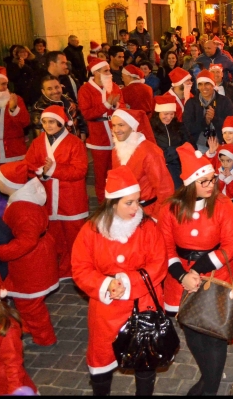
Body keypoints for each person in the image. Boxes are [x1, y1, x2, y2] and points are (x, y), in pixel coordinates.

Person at [72, 166, 167, 396]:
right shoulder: (92, 230)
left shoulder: (148, 227)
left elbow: (158, 263)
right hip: (106, 310)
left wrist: (128, 281)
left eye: (137, 201)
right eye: (129, 203)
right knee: (101, 361)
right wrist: (105, 284)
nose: (137, 208)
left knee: (145, 358)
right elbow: (80, 267)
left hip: (143, 305)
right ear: (112, 203)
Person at [157, 144, 233, 395]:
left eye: (212, 179)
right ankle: (208, 377)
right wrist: (182, 275)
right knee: (192, 329)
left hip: (215, 275)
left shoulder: (224, 205)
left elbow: (231, 245)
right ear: (191, 183)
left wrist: (199, 270)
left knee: (214, 332)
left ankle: (208, 386)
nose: (211, 184)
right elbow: (166, 248)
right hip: (181, 278)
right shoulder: (170, 208)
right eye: (203, 181)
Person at [0, 162, 58, 346]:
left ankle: (44, 337)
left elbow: (26, 242)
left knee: (30, 304)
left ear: (11, 185)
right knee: (24, 300)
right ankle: (28, 326)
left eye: (0, 180)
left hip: (30, 262)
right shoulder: (23, 202)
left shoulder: (23, 209)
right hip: (33, 259)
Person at [24, 106, 88, 280]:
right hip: (48, 198)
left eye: (51, 122)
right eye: (44, 122)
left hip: (71, 199)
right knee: (54, 236)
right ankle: (58, 267)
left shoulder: (74, 143)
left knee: (74, 235)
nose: (47, 125)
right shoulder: (37, 143)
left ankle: (76, 267)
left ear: (61, 122)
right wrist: (41, 171)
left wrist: (53, 170)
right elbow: (28, 165)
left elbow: (80, 171)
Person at [110, 108, 174, 218]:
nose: (116, 130)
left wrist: (156, 216)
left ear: (132, 126)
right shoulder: (116, 150)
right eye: (114, 125)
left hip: (146, 212)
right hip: (124, 211)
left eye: (121, 125)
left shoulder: (149, 152)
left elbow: (165, 190)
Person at [78, 58, 125, 202]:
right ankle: (102, 203)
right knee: (101, 174)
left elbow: (122, 106)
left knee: (117, 170)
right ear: (96, 72)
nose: (109, 73)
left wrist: (116, 105)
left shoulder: (114, 86)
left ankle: (117, 199)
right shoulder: (85, 90)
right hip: (98, 138)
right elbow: (87, 113)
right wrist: (106, 105)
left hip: (117, 136)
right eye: (106, 70)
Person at [184, 69, 233, 146]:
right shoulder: (191, 103)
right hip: (199, 145)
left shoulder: (225, 101)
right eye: (200, 84)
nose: (203, 87)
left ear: (213, 85)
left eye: (207, 83)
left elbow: (232, 124)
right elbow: (188, 128)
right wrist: (205, 122)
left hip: (222, 144)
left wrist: (214, 118)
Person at [30, 74, 86, 140]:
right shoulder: (39, 110)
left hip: (76, 142)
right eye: (49, 89)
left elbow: (79, 116)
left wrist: (83, 133)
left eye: (57, 87)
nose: (55, 91)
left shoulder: (68, 99)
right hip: (58, 148)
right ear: (43, 91)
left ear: (61, 86)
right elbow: (40, 137)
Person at [151, 95, 189, 189]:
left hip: (177, 168)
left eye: (171, 114)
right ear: (158, 113)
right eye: (166, 114)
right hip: (158, 168)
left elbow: (188, 144)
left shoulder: (179, 127)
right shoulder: (150, 128)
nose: (169, 117)